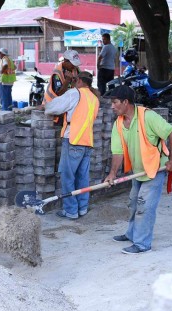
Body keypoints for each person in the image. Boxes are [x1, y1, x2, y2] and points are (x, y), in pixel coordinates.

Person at [105, 85, 172, 254]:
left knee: (144, 206)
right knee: (133, 203)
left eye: (115, 102)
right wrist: (112, 174)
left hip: (154, 170)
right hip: (139, 171)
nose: (112, 106)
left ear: (125, 102)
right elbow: (117, 151)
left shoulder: (148, 117)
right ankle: (132, 234)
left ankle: (143, 244)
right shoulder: (118, 123)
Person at [44, 71, 100, 219]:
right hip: (87, 141)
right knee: (83, 178)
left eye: (75, 80)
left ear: (80, 81)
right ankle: (82, 208)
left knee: (68, 177)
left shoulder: (75, 93)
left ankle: (70, 210)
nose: (74, 82)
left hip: (73, 140)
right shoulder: (94, 98)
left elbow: (54, 107)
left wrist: (44, 107)